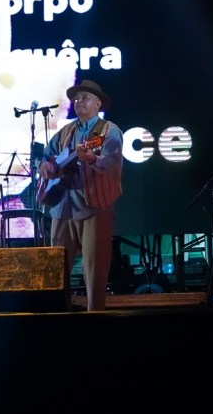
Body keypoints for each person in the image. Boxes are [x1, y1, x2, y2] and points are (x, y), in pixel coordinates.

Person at [38, 79, 123, 311]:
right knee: (56, 269)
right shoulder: (66, 131)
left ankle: (95, 319)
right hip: (62, 206)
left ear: (97, 104)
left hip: (93, 205)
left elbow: (112, 164)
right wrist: (44, 164)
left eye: (85, 97)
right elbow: (47, 155)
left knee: (94, 270)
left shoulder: (109, 131)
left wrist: (92, 158)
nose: (79, 101)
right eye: (76, 98)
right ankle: (57, 316)